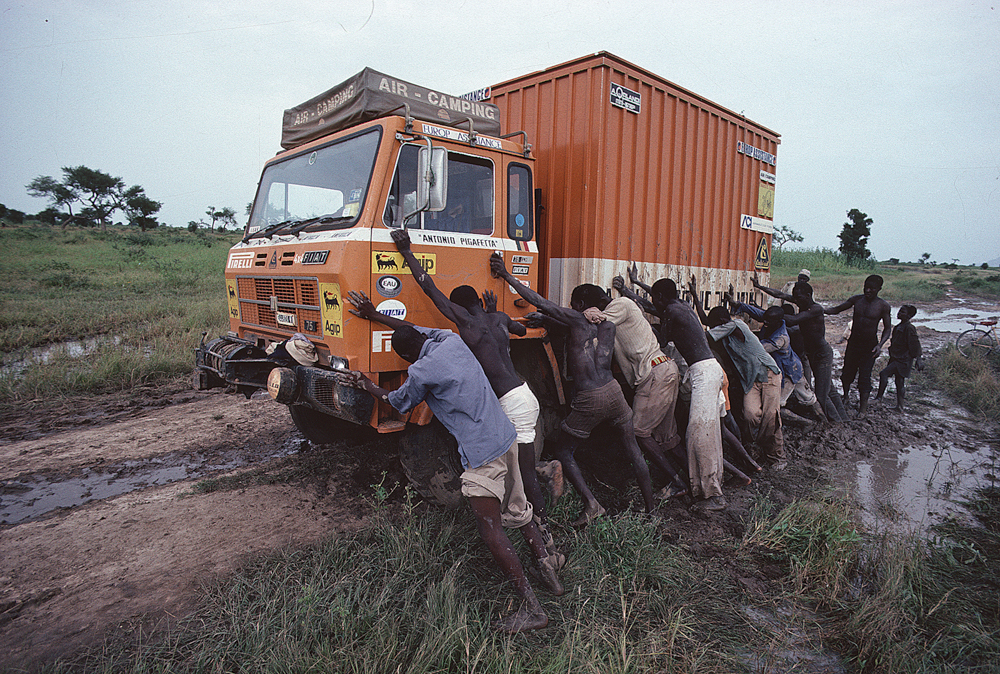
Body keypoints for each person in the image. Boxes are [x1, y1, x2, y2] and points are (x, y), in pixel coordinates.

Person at [342, 320, 563, 633]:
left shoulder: (420, 371)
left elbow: (398, 402)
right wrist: (377, 315)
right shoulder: (450, 340)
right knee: (518, 507)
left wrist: (366, 384)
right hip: (506, 436)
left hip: (482, 454)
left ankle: (532, 609)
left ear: (407, 357)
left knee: (491, 529)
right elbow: (414, 328)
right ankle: (548, 569)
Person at [387, 229, 562, 561]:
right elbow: (521, 330)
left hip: (511, 404)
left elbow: (429, 288)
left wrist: (407, 251)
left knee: (521, 476)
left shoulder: (465, 326)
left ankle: (547, 540)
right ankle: (543, 485)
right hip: (524, 394)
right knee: (517, 465)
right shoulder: (496, 318)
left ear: (458, 307)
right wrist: (497, 315)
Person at [490, 253, 657, 525]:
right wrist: (550, 321)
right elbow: (583, 335)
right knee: (633, 450)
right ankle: (651, 511)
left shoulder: (577, 320)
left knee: (565, 451)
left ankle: (592, 504)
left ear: (579, 305)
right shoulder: (610, 325)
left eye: (572, 304)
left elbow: (540, 302)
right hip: (614, 392)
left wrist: (507, 275)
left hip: (590, 398)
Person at [616, 272, 728, 512]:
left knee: (700, 436)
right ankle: (710, 487)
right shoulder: (681, 306)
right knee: (709, 433)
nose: (653, 304)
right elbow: (652, 304)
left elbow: (661, 335)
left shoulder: (672, 312)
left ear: (659, 296)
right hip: (708, 369)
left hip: (703, 373)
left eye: (655, 298)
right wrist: (631, 288)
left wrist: (631, 301)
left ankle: (714, 497)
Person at [581, 278, 689, 500]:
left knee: (637, 431)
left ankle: (677, 482)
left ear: (599, 302)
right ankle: (694, 481)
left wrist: (580, 315)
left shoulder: (619, 305)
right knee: (668, 438)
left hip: (654, 375)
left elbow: (595, 319)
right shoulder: (617, 317)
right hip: (663, 371)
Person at [690, 278, 785, 470]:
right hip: (751, 379)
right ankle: (757, 447)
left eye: (716, 325)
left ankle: (777, 457)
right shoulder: (723, 331)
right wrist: (694, 295)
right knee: (750, 415)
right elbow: (707, 321)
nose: (713, 328)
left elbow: (706, 333)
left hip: (769, 374)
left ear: (723, 322)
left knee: (770, 417)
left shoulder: (737, 325)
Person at [754, 277, 847, 423]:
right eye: (795, 297)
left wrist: (769, 314)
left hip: (822, 354)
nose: (796, 299)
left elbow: (793, 320)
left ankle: (835, 422)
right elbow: (780, 295)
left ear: (808, 296)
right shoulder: (802, 302)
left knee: (822, 394)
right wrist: (760, 287)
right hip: (811, 353)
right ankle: (842, 418)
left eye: (798, 297)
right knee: (829, 389)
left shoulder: (816, 309)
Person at [727, 293, 828, 422]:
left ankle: (809, 422)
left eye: (769, 321)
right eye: (766, 319)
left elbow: (758, 348)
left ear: (779, 321)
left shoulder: (780, 338)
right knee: (808, 397)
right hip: (793, 366)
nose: (766, 322)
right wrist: (739, 305)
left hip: (788, 372)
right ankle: (823, 422)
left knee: (777, 405)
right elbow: (757, 313)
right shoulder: (772, 321)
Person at [825, 275, 893, 414]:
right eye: (866, 287)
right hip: (853, 343)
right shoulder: (856, 300)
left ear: (879, 289)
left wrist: (880, 345)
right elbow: (836, 309)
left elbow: (887, 328)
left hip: (870, 347)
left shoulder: (883, 306)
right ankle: (845, 397)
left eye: (872, 289)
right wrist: (817, 309)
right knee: (847, 374)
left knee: (865, 378)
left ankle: (862, 409)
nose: (867, 290)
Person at [875, 305, 923, 411]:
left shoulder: (909, 328)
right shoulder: (898, 327)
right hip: (896, 357)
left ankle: (879, 398)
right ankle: (900, 406)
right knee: (899, 381)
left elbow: (915, 344)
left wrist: (919, 359)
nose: (899, 313)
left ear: (909, 316)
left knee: (884, 374)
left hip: (903, 360)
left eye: (903, 312)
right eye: (900, 311)